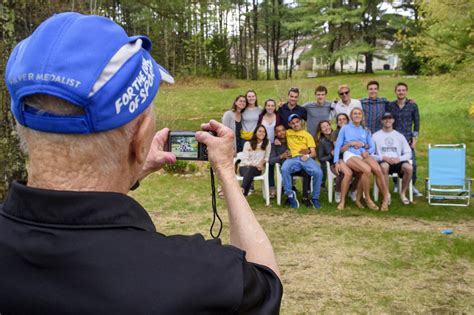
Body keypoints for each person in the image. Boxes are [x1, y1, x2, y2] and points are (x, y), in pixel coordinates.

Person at [0, 13, 282, 313]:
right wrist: (226, 170)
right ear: (141, 137)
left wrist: (132, 168)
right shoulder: (198, 276)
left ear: (22, 125)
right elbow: (267, 284)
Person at [334, 108, 390, 211]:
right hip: (350, 154)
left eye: (359, 114)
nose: (357, 115)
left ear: (362, 116)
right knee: (367, 170)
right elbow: (337, 146)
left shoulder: (366, 130)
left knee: (378, 170)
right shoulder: (345, 128)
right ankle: (367, 198)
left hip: (363, 154)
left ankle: (386, 199)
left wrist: (366, 149)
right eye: (355, 114)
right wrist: (336, 161)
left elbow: (372, 146)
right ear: (351, 116)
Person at [386, 82, 422, 197]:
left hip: (407, 139)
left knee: (413, 164)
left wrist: (414, 137)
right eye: (399, 90)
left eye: (403, 90)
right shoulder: (390, 105)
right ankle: (397, 184)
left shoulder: (412, 105)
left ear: (406, 92)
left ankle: (412, 185)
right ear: (395, 92)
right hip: (394, 140)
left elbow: (416, 122)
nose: (401, 92)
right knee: (395, 161)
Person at [281, 114, 323, 209]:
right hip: (293, 158)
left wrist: (307, 155)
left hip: (305, 158)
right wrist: (277, 140)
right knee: (284, 169)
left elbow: (313, 153)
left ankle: (315, 198)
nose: (295, 124)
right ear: (290, 124)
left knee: (318, 172)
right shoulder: (288, 132)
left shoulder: (307, 135)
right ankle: (290, 195)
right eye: (293, 123)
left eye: (297, 122)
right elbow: (279, 133)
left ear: (300, 122)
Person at [372, 112, 413, 205]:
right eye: (385, 118)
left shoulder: (399, 136)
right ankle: (387, 195)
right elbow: (370, 154)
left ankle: (402, 193)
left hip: (397, 160)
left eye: (390, 118)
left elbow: (408, 153)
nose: (388, 120)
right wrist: (383, 157)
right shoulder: (375, 136)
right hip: (383, 160)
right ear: (382, 121)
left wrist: (399, 158)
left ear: (393, 120)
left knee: (409, 168)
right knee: (384, 167)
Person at [269, 124, 312, 206]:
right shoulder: (274, 145)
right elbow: (271, 160)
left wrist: (297, 153)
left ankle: (305, 197)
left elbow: (307, 151)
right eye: (278, 131)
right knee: (287, 172)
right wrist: (282, 156)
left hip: (299, 166)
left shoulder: (292, 140)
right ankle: (290, 197)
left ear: (286, 131)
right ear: (275, 134)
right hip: (287, 169)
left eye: (283, 130)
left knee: (307, 172)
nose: (281, 133)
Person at [316, 120, 354, 210]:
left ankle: (352, 190)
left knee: (356, 171)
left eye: (327, 125)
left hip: (345, 159)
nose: (326, 128)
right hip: (332, 163)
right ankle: (337, 191)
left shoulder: (337, 135)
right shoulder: (322, 142)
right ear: (321, 130)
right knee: (340, 172)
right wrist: (331, 155)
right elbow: (321, 158)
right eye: (323, 127)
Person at [331, 113, 358, 203]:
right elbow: (338, 150)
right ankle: (338, 192)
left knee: (360, 172)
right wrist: (349, 144)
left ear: (348, 120)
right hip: (339, 159)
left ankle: (353, 190)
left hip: (352, 158)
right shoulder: (335, 133)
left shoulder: (353, 131)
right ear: (337, 123)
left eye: (344, 119)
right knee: (343, 173)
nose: (342, 121)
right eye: (340, 120)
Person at [257, 98, 282, 197]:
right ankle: (266, 186)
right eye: (268, 105)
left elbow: (279, 129)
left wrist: (276, 138)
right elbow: (259, 130)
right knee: (263, 165)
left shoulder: (278, 116)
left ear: (275, 107)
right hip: (263, 144)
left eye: (272, 106)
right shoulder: (261, 117)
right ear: (265, 106)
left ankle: (273, 188)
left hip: (274, 145)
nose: (270, 107)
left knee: (271, 165)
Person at [238, 125, 271, 196]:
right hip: (244, 167)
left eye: (264, 132)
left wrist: (262, 163)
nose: (262, 133)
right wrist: (254, 164)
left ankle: (242, 189)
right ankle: (244, 193)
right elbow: (244, 160)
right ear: (255, 132)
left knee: (251, 170)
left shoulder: (267, 143)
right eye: (260, 131)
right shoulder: (247, 144)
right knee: (250, 170)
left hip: (257, 169)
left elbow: (267, 158)